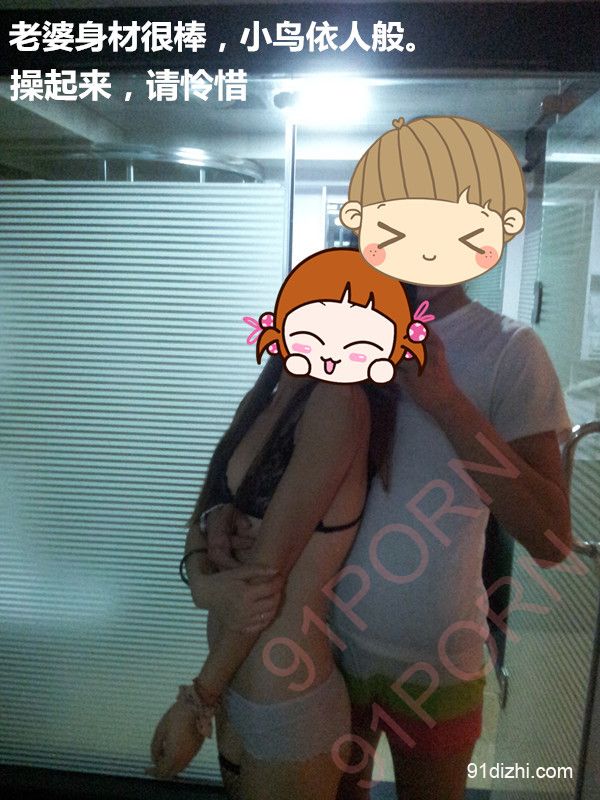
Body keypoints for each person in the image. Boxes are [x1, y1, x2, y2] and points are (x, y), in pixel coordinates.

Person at [147, 249, 427, 800]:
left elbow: (263, 581)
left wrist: (195, 702)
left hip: (284, 695)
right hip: (233, 681)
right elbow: (202, 513)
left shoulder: (338, 403)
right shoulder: (265, 396)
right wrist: (203, 576)